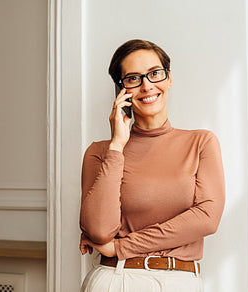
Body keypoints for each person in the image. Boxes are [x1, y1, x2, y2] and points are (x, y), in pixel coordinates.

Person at [78, 39, 225, 291]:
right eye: (133, 78)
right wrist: (117, 145)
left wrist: (122, 246)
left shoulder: (201, 142)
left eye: (155, 74)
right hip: (116, 280)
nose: (147, 86)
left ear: (168, 79)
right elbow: (100, 231)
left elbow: (207, 218)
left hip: (180, 281)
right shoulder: (100, 152)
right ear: (121, 90)